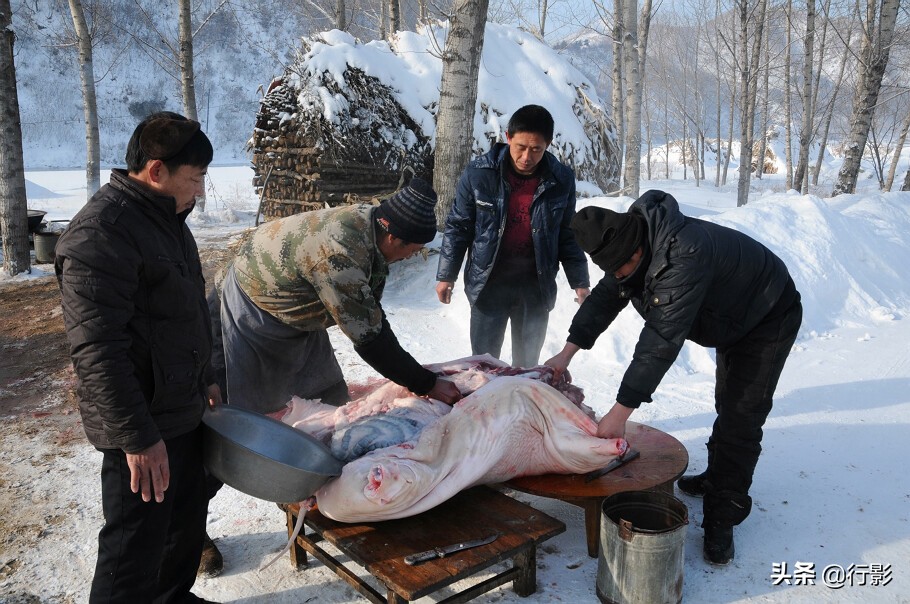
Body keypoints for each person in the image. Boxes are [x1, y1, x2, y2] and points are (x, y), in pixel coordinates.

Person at [545, 189, 802, 565]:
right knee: (727, 401)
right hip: (727, 314)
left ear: (638, 252)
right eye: (611, 270)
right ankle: (717, 476)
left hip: (766, 313)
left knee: (741, 413)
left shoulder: (683, 258)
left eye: (621, 269)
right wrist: (565, 354)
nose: (618, 277)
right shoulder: (629, 242)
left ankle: (723, 514)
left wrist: (620, 413)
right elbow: (604, 298)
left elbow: (660, 342)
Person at [55, 112, 221, 602]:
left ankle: (172, 596)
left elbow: (186, 308)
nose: (200, 192)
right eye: (194, 180)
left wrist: (204, 375)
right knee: (133, 547)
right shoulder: (99, 236)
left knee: (184, 524)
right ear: (156, 171)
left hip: (182, 406)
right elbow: (97, 351)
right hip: (143, 421)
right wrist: (137, 438)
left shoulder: (165, 219)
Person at [212, 176, 462, 414]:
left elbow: (369, 314)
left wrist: (417, 378)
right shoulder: (340, 257)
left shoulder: (371, 226)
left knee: (325, 392)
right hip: (254, 298)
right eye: (413, 250)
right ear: (393, 237)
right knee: (255, 402)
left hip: (298, 298)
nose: (411, 256)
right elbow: (369, 339)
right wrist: (426, 384)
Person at [435, 104, 590, 368]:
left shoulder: (561, 179)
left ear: (548, 145)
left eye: (536, 149)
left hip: (535, 287)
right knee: (483, 365)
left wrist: (580, 281)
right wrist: (446, 274)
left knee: (527, 366)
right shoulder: (479, 174)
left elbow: (566, 233)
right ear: (508, 137)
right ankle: (485, 408)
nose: (527, 156)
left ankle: (522, 408)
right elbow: (459, 226)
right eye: (520, 147)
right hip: (488, 283)